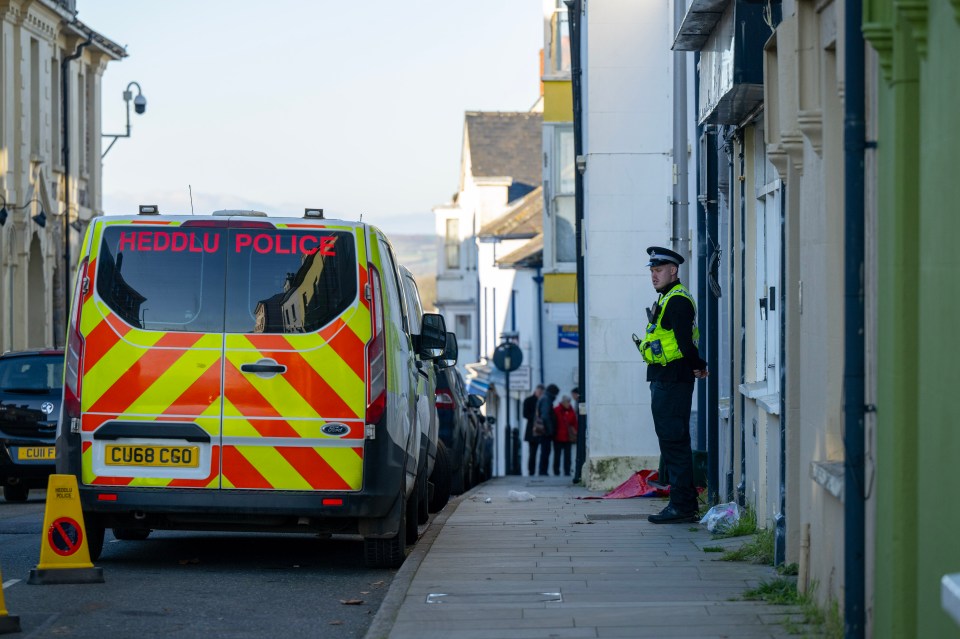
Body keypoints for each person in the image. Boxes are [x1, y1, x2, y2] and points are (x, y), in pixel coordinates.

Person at [634, 246, 708, 524]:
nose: (654, 276)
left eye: (658, 270)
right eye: (652, 271)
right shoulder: (669, 298)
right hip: (667, 378)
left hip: (671, 380)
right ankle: (684, 504)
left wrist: (698, 364)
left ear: (673, 271)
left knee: (674, 442)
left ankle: (682, 506)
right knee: (673, 441)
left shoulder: (677, 301)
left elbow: (684, 342)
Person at [535, 384, 560, 476]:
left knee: (544, 451)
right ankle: (543, 471)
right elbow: (545, 416)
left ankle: (543, 470)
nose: (556, 397)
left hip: (543, 430)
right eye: (556, 394)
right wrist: (550, 430)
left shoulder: (544, 398)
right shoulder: (546, 399)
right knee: (545, 451)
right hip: (545, 431)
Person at [522, 384, 546, 476]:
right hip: (531, 430)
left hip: (542, 429)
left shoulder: (543, 401)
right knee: (532, 452)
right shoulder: (528, 400)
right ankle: (531, 471)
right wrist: (535, 417)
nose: (540, 394)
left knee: (543, 452)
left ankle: (541, 471)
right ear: (536, 391)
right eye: (539, 392)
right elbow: (525, 414)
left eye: (541, 392)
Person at [552, 395, 578, 476]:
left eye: (569, 401)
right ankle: (556, 471)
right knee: (557, 455)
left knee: (568, 456)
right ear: (563, 402)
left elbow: (574, 423)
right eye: (567, 402)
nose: (568, 403)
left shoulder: (571, 410)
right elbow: (553, 423)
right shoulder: (556, 410)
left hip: (568, 437)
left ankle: (567, 471)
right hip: (558, 437)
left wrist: (575, 432)